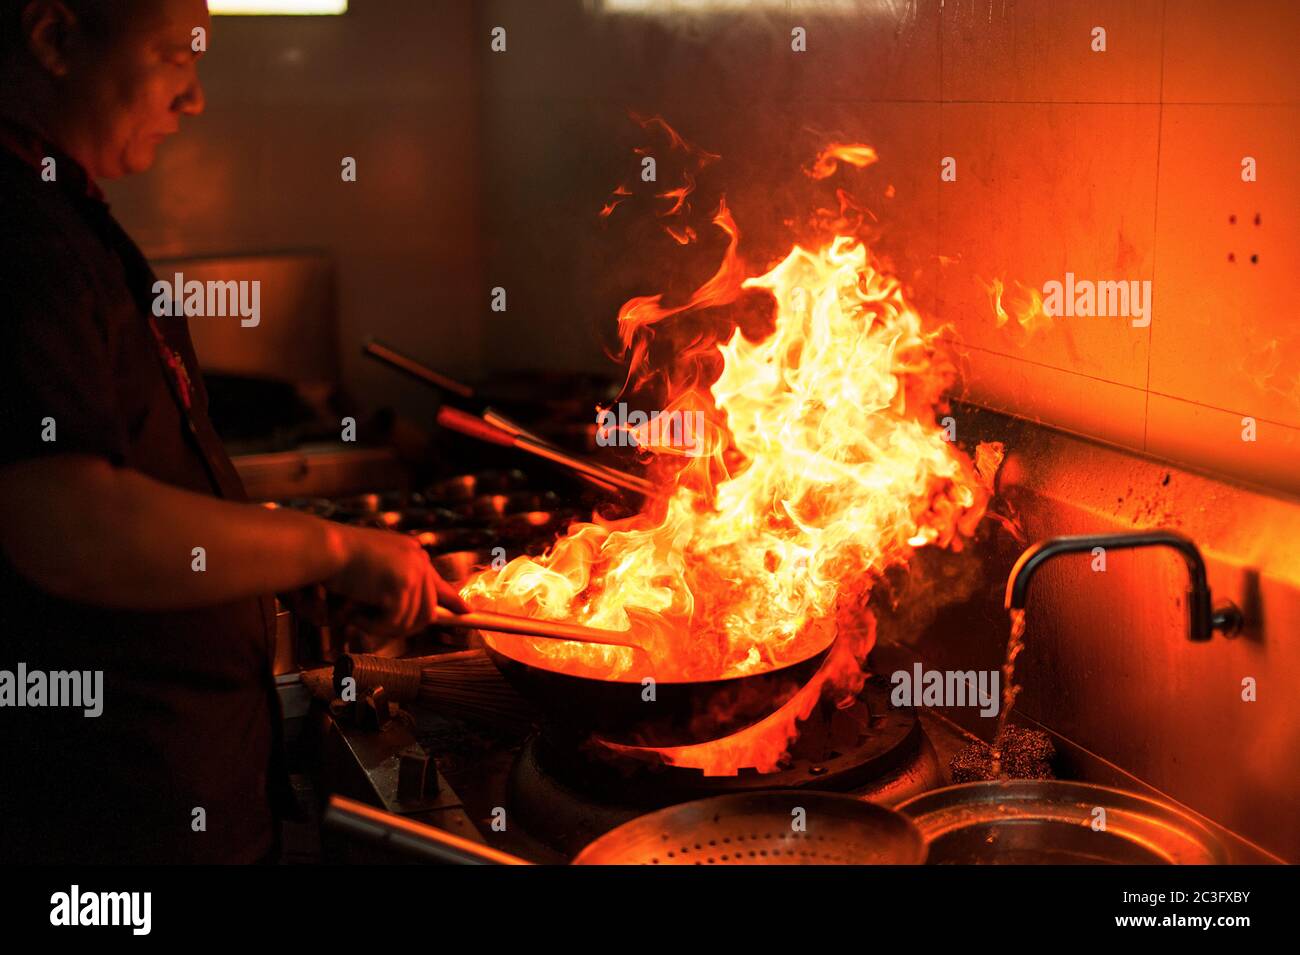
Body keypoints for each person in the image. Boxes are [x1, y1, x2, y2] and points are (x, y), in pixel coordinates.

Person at [0, 0, 464, 863]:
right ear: (56, 37)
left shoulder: (64, 210)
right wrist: (329, 549)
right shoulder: (21, 234)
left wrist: (270, 567)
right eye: (177, 56)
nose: (196, 98)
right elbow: (71, 525)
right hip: (96, 816)